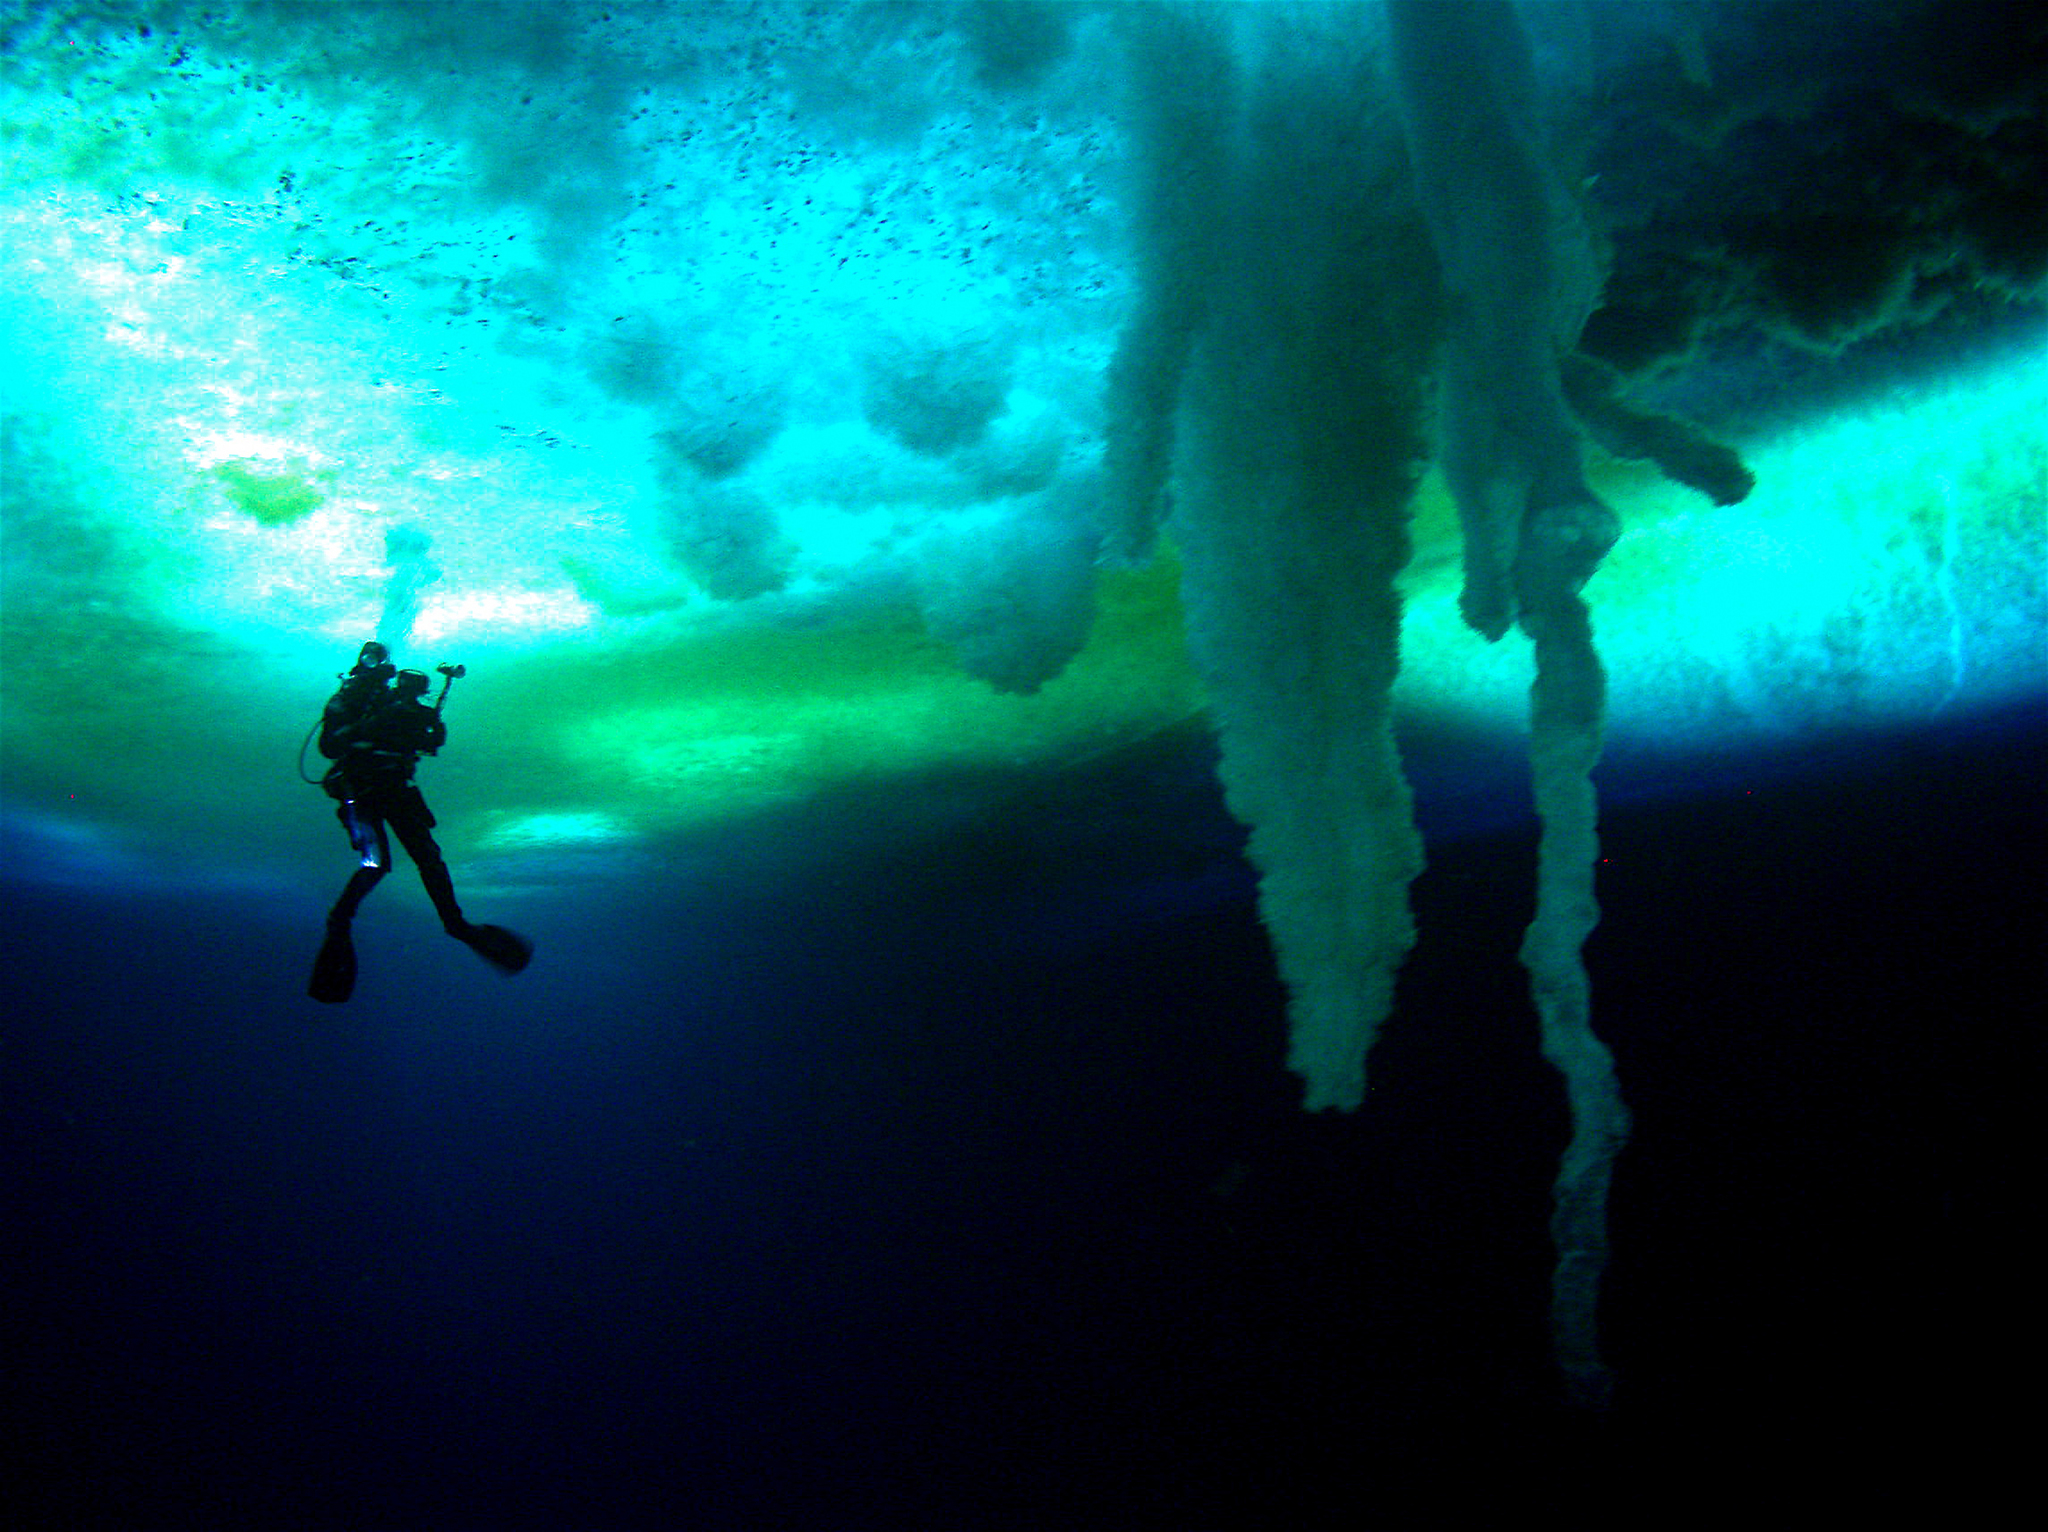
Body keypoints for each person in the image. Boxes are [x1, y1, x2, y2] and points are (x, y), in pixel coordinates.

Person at [309, 642, 532, 1003]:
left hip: (396, 788)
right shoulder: (347, 701)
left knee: (428, 856)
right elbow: (330, 748)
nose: (380, 672)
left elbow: (428, 745)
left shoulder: (400, 706)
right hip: (359, 789)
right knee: (376, 863)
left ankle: (455, 924)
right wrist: (376, 722)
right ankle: (340, 920)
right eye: (372, 661)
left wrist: (429, 726)